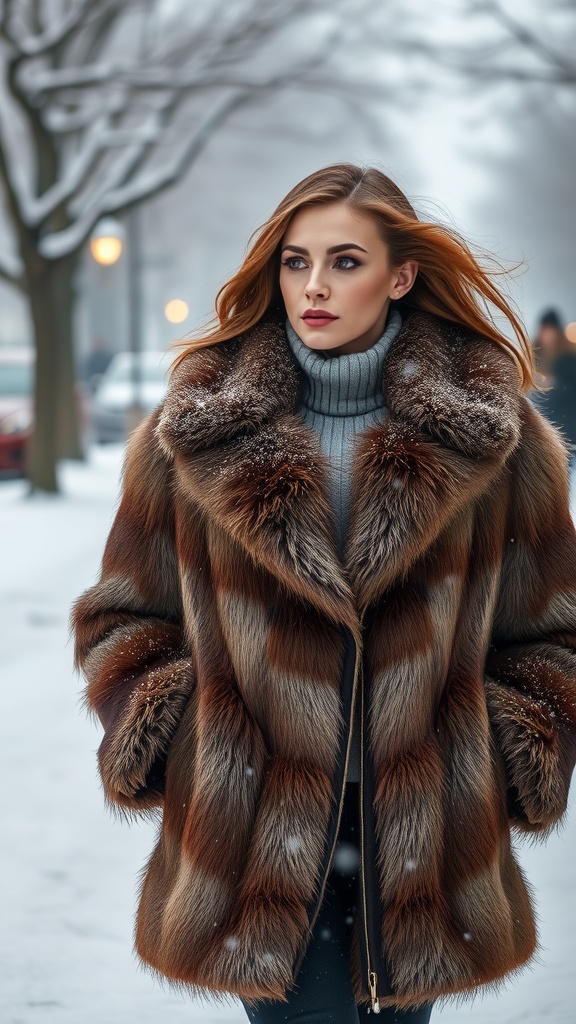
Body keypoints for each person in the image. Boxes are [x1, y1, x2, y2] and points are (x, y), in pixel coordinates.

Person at [72, 164, 576, 1023]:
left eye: (346, 261)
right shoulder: (193, 433)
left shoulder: (500, 442)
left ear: (401, 276)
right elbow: (122, 616)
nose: (313, 286)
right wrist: (184, 734)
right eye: (295, 262)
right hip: (249, 832)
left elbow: (555, 633)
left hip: (423, 842)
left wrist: (501, 751)